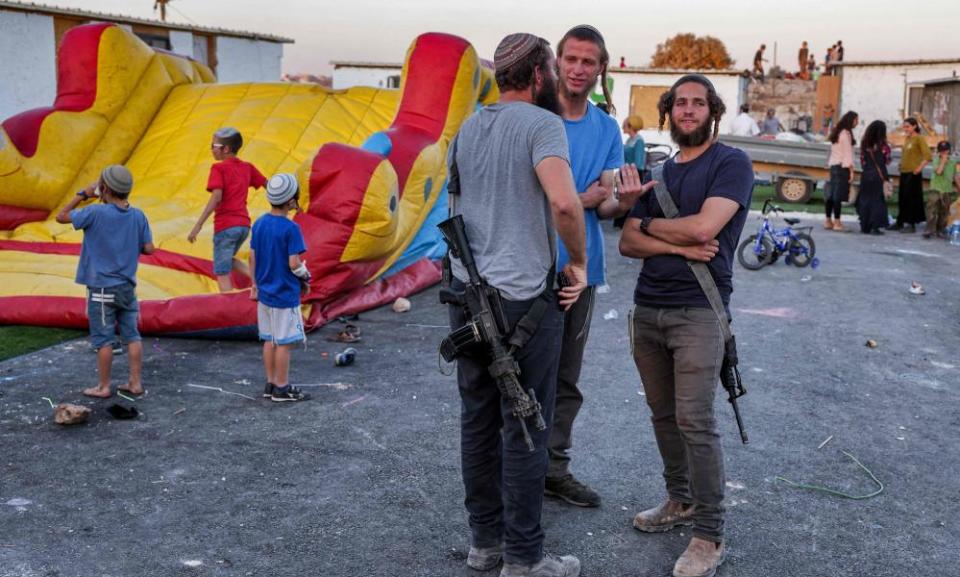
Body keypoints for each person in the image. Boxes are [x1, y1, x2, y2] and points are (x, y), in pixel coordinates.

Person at [446, 32, 588, 577]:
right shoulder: (542, 125)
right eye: (552, 69)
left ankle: (485, 545)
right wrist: (575, 262)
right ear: (536, 76)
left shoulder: (467, 128)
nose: (556, 78)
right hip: (523, 302)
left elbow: (460, 207)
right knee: (526, 425)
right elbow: (563, 202)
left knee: (478, 422)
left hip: (466, 298)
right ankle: (525, 559)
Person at [620, 74, 753, 577]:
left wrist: (652, 226)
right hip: (647, 308)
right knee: (662, 415)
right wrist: (671, 239)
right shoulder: (656, 171)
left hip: (700, 310)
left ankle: (710, 535)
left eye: (699, 103)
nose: (689, 110)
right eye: (681, 103)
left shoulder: (731, 163)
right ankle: (680, 500)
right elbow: (627, 241)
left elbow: (705, 227)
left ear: (712, 110)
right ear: (669, 112)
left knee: (695, 421)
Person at [546, 25, 650, 509]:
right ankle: (517, 471)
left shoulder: (607, 129)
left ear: (600, 69)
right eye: (571, 58)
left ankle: (553, 470)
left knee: (566, 378)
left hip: (581, 271)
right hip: (527, 267)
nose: (578, 69)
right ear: (557, 61)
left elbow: (604, 203)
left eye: (588, 61)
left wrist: (622, 202)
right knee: (520, 374)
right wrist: (579, 199)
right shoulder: (535, 117)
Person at [55, 165, 155, 398]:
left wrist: (83, 195)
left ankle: (103, 386)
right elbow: (149, 248)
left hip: (101, 288)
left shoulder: (94, 213)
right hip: (127, 287)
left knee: (104, 340)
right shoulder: (138, 215)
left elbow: (61, 216)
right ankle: (135, 383)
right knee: (132, 335)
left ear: (105, 188)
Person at [249, 173, 311, 403]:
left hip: (265, 293)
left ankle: (270, 383)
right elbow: (294, 263)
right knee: (284, 342)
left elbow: (252, 257)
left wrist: (254, 285)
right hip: (284, 294)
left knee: (269, 339)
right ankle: (282, 387)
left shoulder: (260, 224)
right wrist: (306, 276)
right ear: (290, 200)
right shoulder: (290, 228)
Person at [188, 127, 267, 292]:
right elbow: (269, 185)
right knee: (225, 259)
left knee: (221, 271)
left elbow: (216, 197)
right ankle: (256, 279)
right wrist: (289, 200)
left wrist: (198, 225)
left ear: (226, 149)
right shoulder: (247, 167)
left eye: (213, 145)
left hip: (226, 226)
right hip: (243, 226)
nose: (211, 149)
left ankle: (229, 307)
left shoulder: (219, 169)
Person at [891, 117, 932, 232]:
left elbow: (928, 155)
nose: (905, 129)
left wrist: (919, 168)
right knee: (902, 198)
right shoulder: (908, 139)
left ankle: (911, 224)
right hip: (904, 172)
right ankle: (900, 222)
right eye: (904, 127)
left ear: (914, 126)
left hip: (913, 173)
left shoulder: (919, 139)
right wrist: (901, 164)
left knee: (911, 199)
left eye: (908, 126)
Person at [825, 111, 859, 232]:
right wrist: (851, 171)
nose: (857, 122)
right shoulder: (846, 134)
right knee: (838, 196)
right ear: (851, 120)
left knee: (831, 194)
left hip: (834, 165)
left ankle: (828, 220)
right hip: (842, 167)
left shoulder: (837, 132)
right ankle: (837, 222)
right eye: (856, 120)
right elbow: (847, 154)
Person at [857, 120, 892, 235]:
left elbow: (862, 161)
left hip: (866, 174)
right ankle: (874, 227)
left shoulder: (864, 143)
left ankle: (864, 226)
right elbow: (887, 160)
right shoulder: (884, 146)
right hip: (879, 176)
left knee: (865, 199)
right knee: (877, 201)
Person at [924, 141, 959, 238]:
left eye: (946, 151)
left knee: (944, 212)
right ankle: (929, 229)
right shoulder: (936, 160)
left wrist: (959, 187)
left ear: (949, 151)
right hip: (935, 189)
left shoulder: (952, 162)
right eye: (941, 151)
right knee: (931, 210)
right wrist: (943, 162)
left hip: (947, 190)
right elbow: (939, 172)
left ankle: (941, 229)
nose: (943, 153)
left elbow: (955, 176)